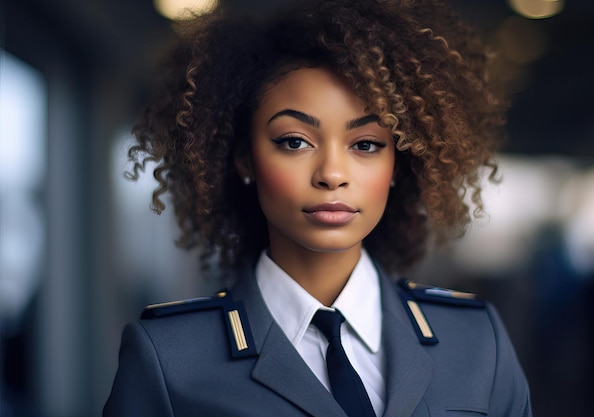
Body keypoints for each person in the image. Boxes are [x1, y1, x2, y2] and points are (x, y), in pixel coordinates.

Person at [104, 0, 532, 416]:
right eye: (294, 142)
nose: (332, 174)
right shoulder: (169, 358)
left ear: (398, 162)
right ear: (244, 158)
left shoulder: (476, 341)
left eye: (366, 144)